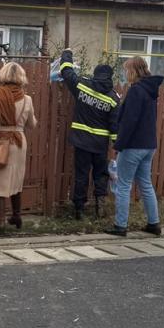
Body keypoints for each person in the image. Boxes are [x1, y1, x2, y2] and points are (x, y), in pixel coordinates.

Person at [0, 61, 37, 235]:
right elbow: (32, 124)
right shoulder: (27, 99)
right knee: (15, 181)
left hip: (0, 142)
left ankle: (0, 223)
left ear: (3, 75)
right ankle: (17, 216)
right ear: (21, 77)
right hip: (19, 143)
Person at [58, 48, 120, 219]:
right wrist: (116, 146)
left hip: (81, 142)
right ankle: (100, 205)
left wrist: (67, 53)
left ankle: (79, 209)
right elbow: (115, 126)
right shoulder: (113, 98)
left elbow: (66, 71)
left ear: (95, 74)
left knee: (81, 174)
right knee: (101, 174)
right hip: (100, 145)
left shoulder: (83, 85)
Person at [108, 56, 163, 237]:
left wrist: (119, 144)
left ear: (133, 71)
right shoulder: (151, 90)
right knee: (146, 184)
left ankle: (120, 226)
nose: (125, 73)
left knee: (123, 185)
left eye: (126, 70)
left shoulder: (136, 91)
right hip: (149, 145)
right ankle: (154, 224)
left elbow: (129, 121)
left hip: (133, 145)